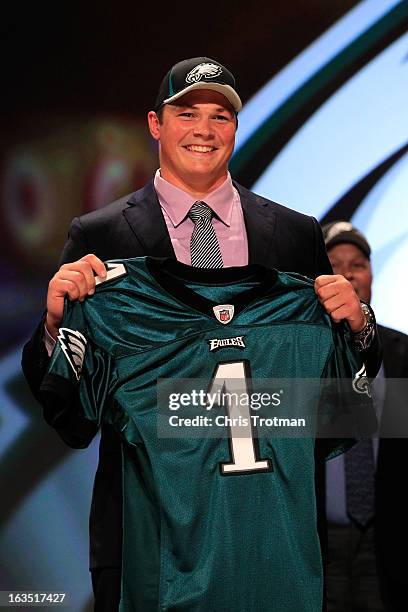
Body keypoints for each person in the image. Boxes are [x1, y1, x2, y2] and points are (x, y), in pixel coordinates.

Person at [21, 57, 381, 611]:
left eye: (220, 116)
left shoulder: (294, 233)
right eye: (186, 113)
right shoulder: (100, 235)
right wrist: (54, 332)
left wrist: (358, 331)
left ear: (237, 127)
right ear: (154, 124)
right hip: (152, 545)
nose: (204, 130)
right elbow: (68, 419)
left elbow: (339, 413)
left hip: (271, 543)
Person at [322, 221, 408, 612]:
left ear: (372, 274)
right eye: (334, 264)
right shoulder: (299, 354)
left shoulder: (402, 352)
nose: (347, 274)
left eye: (357, 264)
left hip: (388, 540)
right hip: (319, 542)